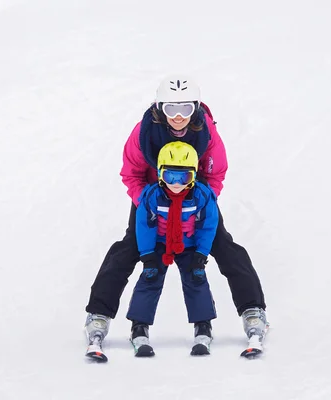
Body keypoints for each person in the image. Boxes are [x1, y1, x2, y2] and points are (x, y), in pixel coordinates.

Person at [84, 75, 267, 356]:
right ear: (159, 108)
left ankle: (253, 311)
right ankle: (99, 314)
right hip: (152, 197)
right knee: (128, 249)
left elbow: (216, 172)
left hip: (196, 196)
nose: (178, 117)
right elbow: (130, 173)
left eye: (185, 109)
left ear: (196, 108)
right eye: (171, 109)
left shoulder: (207, 132)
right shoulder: (143, 132)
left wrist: (201, 202)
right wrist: (147, 202)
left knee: (224, 247)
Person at [127, 141, 218, 357]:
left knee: (196, 278)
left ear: (194, 175)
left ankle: (203, 325)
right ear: (159, 174)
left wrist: (201, 253)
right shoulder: (152, 195)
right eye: (170, 177)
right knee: (150, 277)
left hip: (189, 245)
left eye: (183, 178)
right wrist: (147, 255)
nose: (176, 184)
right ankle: (139, 326)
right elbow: (145, 225)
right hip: (159, 244)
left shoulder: (202, 196)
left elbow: (208, 224)